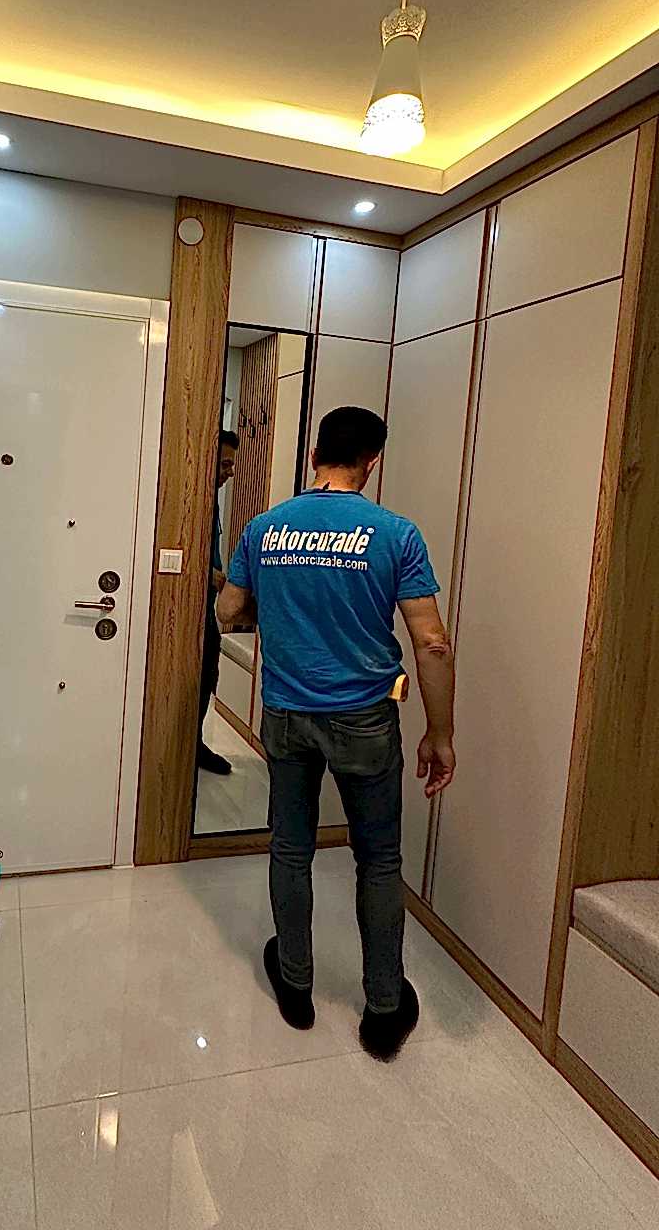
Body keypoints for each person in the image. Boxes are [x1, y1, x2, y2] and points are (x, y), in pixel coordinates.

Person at [216, 405, 455, 1060]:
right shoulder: (396, 534)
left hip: (286, 713)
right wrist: (440, 733)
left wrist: (279, 600)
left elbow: (229, 608)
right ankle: (383, 1009)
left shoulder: (265, 528)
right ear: (371, 461)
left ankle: (295, 986)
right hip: (364, 717)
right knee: (378, 859)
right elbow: (432, 643)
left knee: (291, 847)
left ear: (315, 453)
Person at [197, 430, 240, 775]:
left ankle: (194, 743)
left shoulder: (211, 501)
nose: (230, 472)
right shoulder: (194, 501)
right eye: (225, 464)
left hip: (207, 609)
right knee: (198, 680)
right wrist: (213, 576)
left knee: (208, 676)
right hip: (191, 613)